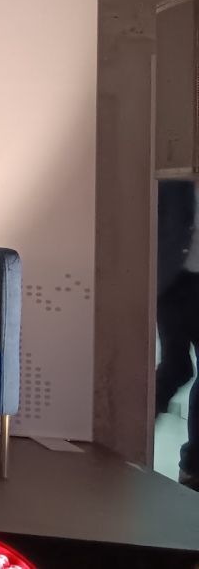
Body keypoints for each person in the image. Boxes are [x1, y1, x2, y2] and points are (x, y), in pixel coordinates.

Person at [156, 179, 199, 490]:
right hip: (173, 284)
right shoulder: (171, 180)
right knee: (176, 367)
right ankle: (127, 435)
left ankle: (193, 467)